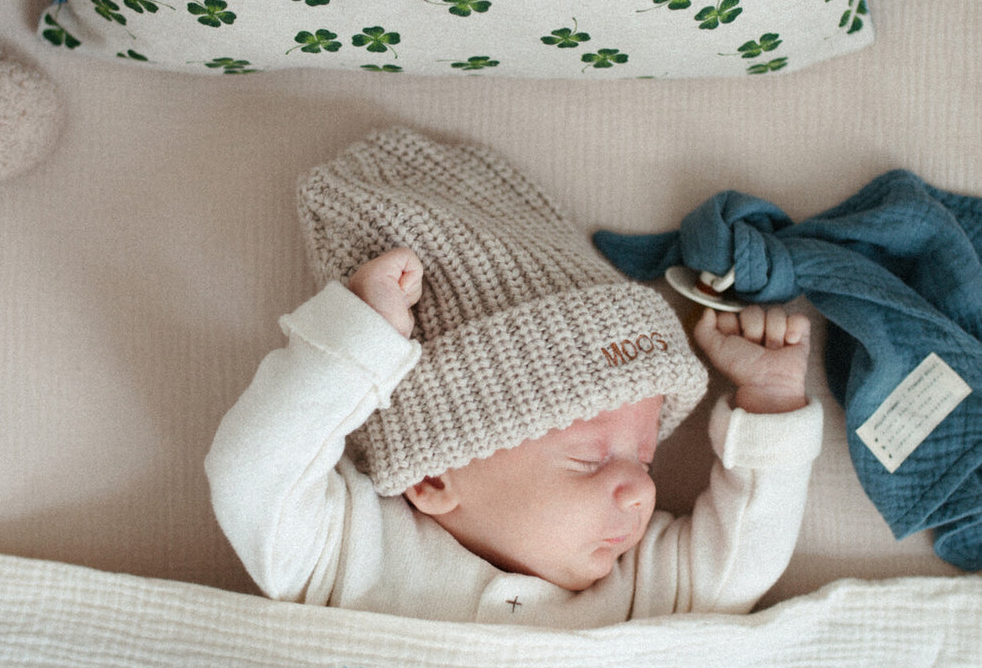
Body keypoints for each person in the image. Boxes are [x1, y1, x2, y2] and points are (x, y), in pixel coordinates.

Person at [206, 127, 822, 626]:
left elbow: (738, 568)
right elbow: (252, 471)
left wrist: (770, 404)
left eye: (646, 460)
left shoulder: (637, 586)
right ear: (433, 475)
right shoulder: (346, 550)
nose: (641, 492)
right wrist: (359, 340)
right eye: (587, 459)